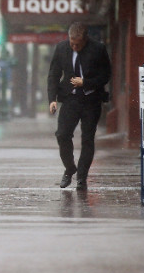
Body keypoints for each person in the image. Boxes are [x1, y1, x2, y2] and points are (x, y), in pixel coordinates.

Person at [47, 22, 111, 190]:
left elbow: (106, 75)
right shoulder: (61, 49)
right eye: (71, 43)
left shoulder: (98, 49)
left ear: (85, 40)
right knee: (62, 134)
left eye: (78, 44)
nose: (74, 46)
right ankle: (69, 168)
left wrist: (86, 83)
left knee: (87, 139)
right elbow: (54, 73)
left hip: (91, 100)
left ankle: (82, 177)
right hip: (70, 100)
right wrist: (52, 99)